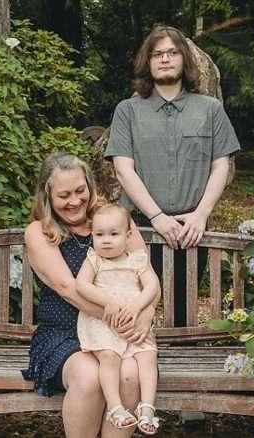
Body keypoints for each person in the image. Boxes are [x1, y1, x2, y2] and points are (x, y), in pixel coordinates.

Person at [104, 25, 240, 326]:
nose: (165, 59)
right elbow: (123, 170)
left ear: (184, 60)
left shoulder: (211, 110)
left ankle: (180, 363)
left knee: (182, 312)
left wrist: (201, 215)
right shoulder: (128, 111)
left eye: (172, 53)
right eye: (157, 54)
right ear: (147, 62)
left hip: (192, 226)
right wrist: (156, 217)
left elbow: (221, 166)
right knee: (134, 307)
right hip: (139, 226)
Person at [21, 151, 159, 438]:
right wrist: (124, 319)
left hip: (122, 333)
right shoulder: (40, 231)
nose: (74, 201)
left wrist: (144, 316)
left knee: (130, 375)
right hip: (65, 332)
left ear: (90, 185)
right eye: (64, 195)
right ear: (47, 195)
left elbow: (147, 275)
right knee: (88, 378)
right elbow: (68, 288)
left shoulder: (113, 221)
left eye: (80, 190)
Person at [75, 203, 160, 434]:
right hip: (103, 323)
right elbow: (81, 285)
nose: (106, 240)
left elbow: (152, 285)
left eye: (114, 234)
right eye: (99, 235)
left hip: (133, 322)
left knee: (148, 356)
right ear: (92, 235)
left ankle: (147, 409)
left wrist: (139, 305)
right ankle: (116, 407)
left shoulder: (137, 259)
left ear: (128, 235)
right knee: (110, 357)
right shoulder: (95, 260)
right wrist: (107, 301)